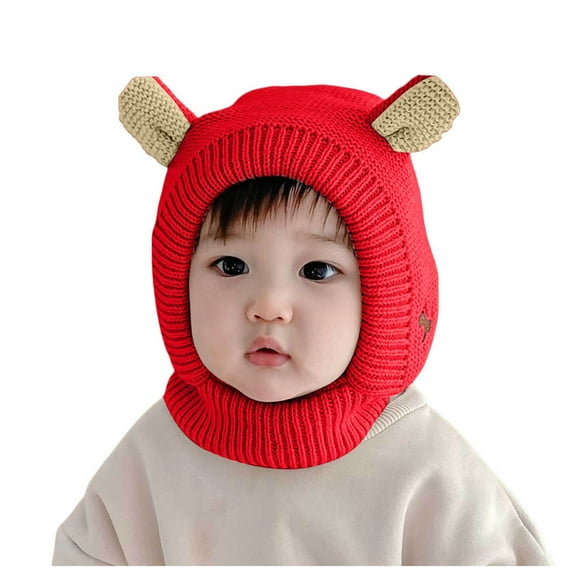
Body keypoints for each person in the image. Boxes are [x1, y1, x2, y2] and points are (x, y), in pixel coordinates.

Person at [52, 75, 551, 565]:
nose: (269, 305)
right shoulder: (152, 459)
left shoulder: (427, 472)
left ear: (388, 300)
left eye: (317, 271)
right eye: (231, 266)